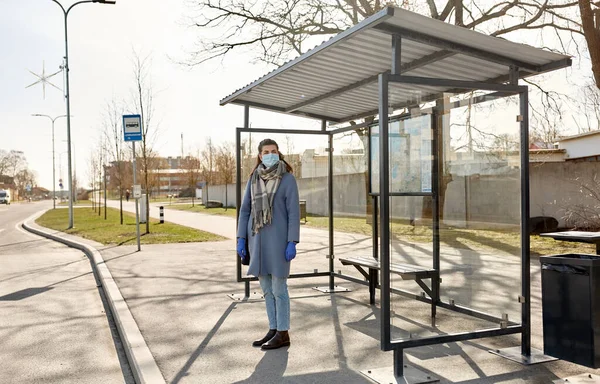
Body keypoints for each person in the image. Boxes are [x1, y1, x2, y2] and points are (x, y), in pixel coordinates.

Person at [236, 138, 300, 350]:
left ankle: (283, 332)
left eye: (274, 150)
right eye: (266, 151)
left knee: (279, 288)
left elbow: (293, 213)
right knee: (266, 289)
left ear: (278, 153)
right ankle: (273, 329)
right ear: (260, 155)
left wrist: (292, 241)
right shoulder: (253, 179)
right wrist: (241, 238)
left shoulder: (287, 179)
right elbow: (245, 210)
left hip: (279, 243)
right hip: (258, 243)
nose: (270, 154)